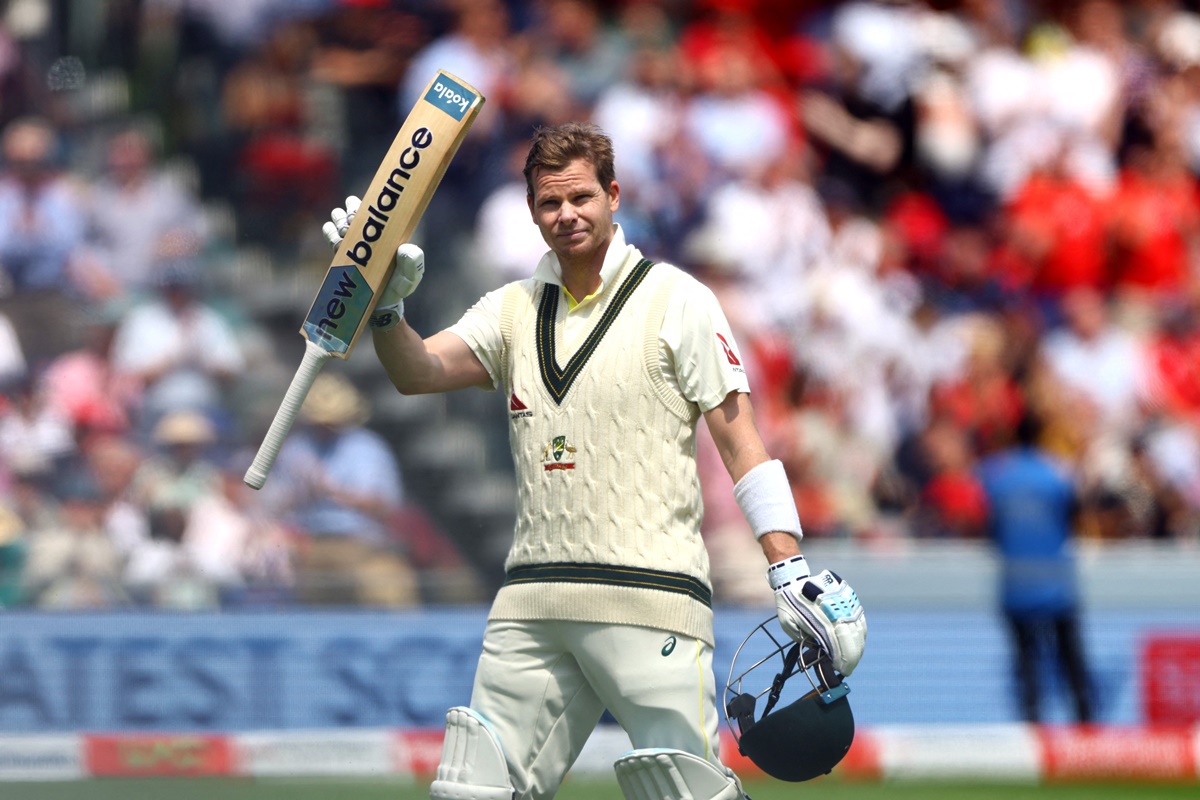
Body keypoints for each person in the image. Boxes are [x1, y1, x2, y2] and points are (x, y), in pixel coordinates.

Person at [323, 122, 867, 799]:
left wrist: (787, 568)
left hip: (651, 597)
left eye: (580, 197)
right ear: (532, 213)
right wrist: (384, 304)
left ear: (613, 196)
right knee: (471, 789)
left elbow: (739, 439)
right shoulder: (512, 308)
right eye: (550, 204)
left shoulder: (679, 300)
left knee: (688, 791)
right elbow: (419, 371)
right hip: (532, 601)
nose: (566, 215)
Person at [977, 410, 1094, 724]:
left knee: (1027, 662)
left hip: (1016, 582)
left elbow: (986, 521)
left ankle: (1033, 731)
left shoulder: (995, 474)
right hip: (1055, 580)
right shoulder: (1056, 472)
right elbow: (1075, 516)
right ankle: (1086, 726)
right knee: (1070, 660)